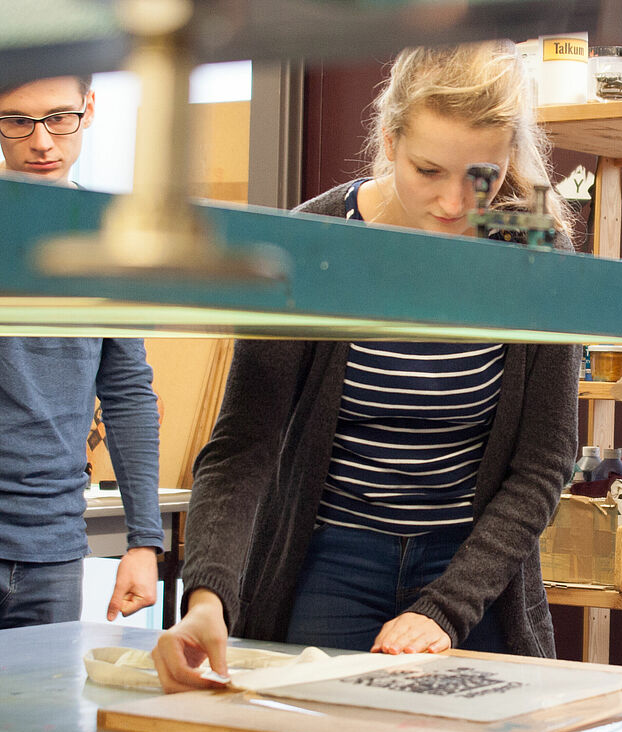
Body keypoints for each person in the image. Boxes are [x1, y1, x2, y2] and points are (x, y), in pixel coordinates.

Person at [152, 41, 580, 692]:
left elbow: (544, 463)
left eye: (481, 176)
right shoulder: (317, 241)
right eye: (428, 170)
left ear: (508, 160)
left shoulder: (532, 250)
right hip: (332, 556)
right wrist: (206, 598)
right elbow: (243, 449)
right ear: (389, 140)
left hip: (472, 567)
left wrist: (448, 605)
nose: (452, 203)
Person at [0, 75, 164, 628]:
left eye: (58, 118)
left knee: (42, 713)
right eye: (17, 121)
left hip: (55, 546)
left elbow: (127, 396)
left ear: (88, 109)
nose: (42, 142)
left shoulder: (108, 237)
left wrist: (144, 540)